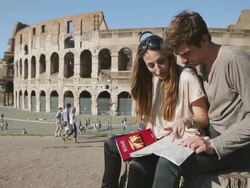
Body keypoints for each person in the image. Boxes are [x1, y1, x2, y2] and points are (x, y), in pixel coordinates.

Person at [151, 11, 250, 188]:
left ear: (204, 40)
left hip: (238, 147)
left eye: (187, 53)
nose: (182, 60)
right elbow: (212, 113)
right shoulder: (202, 64)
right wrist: (186, 120)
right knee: (163, 151)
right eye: (179, 55)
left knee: (170, 163)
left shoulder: (235, 60)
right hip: (212, 135)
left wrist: (213, 144)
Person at [101, 34, 209, 188]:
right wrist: (144, 140)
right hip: (155, 138)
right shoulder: (155, 80)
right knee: (111, 144)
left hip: (178, 141)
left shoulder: (187, 77)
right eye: (151, 65)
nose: (158, 70)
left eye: (161, 62)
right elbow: (152, 121)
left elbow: (203, 117)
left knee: (138, 166)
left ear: (169, 57)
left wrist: (184, 120)